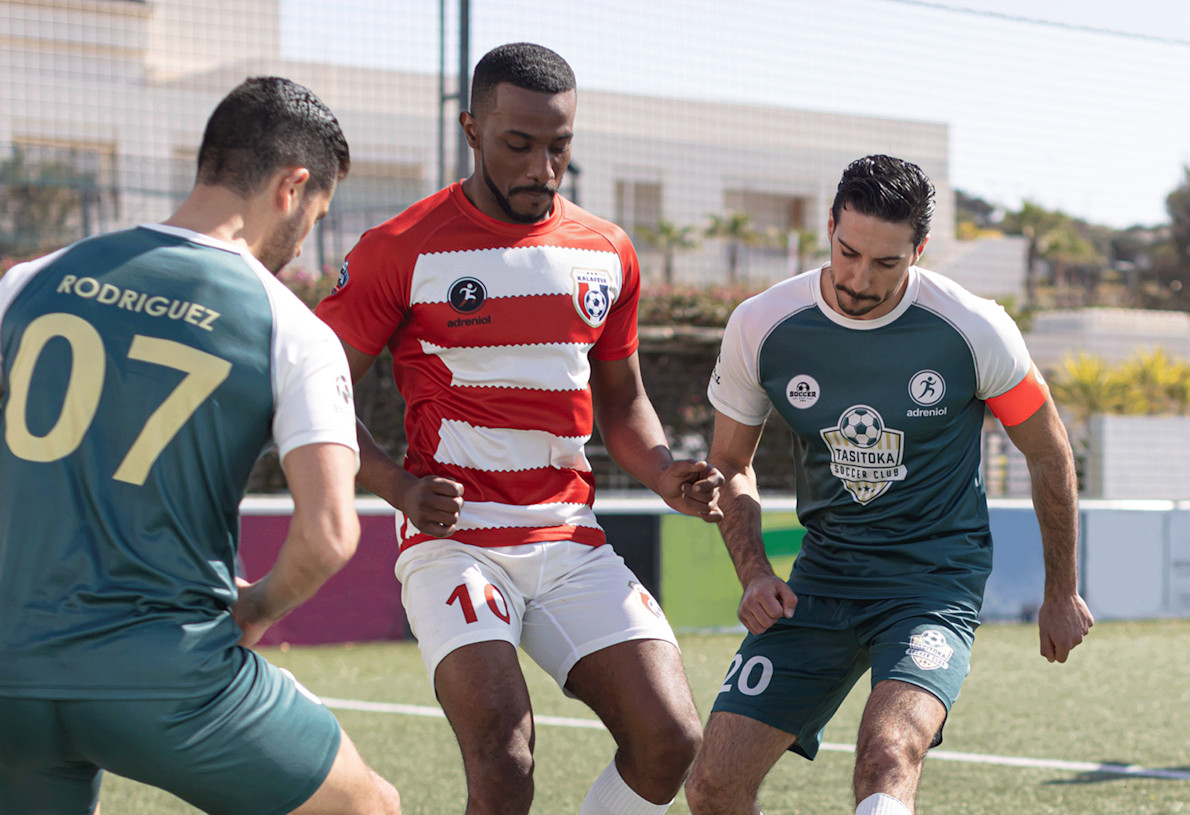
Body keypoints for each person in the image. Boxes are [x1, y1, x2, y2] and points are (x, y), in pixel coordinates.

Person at [315, 42, 722, 815]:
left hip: (569, 538)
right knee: (505, 757)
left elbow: (624, 400)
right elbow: (313, 387)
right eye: (519, 144)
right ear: (472, 129)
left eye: (560, 145)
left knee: (671, 739)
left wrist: (667, 470)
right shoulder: (401, 249)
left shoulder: (606, 251)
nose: (543, 166)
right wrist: (398, 486)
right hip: (457, 542)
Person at [0, 77, 402, 815]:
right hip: (168, 680)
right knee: (368, 806)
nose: (304, 240)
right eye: (314, 218)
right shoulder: (290, 327)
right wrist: (256, 606)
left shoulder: (28, 282)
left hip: (8, 675)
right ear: (292, 186)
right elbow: (329, 535)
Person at [683, 154, 1094, 815]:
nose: (859, 279)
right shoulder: (763, 324)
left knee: (888, 752)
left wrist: (1061, 590)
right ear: (829, 227)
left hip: (932, 582)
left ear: (919, 250)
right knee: (711, 784)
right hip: (822, 579)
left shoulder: (975, 327)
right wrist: (755, 572)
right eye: (848, 253)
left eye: (885, 263)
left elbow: (1049, 452)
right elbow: (730, 462)